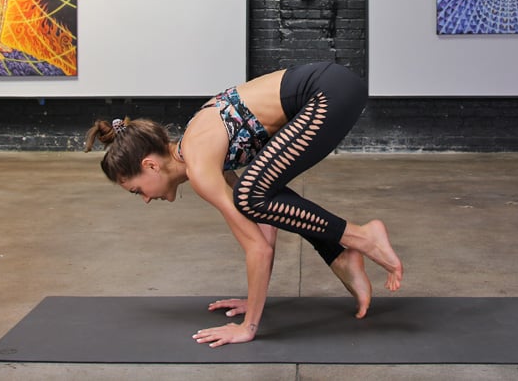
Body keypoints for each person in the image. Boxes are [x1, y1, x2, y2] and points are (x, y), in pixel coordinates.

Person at [85, 61, 404, 348]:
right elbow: (263, 229)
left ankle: (361, 236)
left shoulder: (199, 165)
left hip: (329, 93)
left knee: (250, 194)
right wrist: (255, 300)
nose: (144, 199)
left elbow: (257, 248)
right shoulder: (201, 152)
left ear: (151, 166)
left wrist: (247, 326)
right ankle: (341, 254)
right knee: (256, 196)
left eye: (136, 189)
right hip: (334, 88)